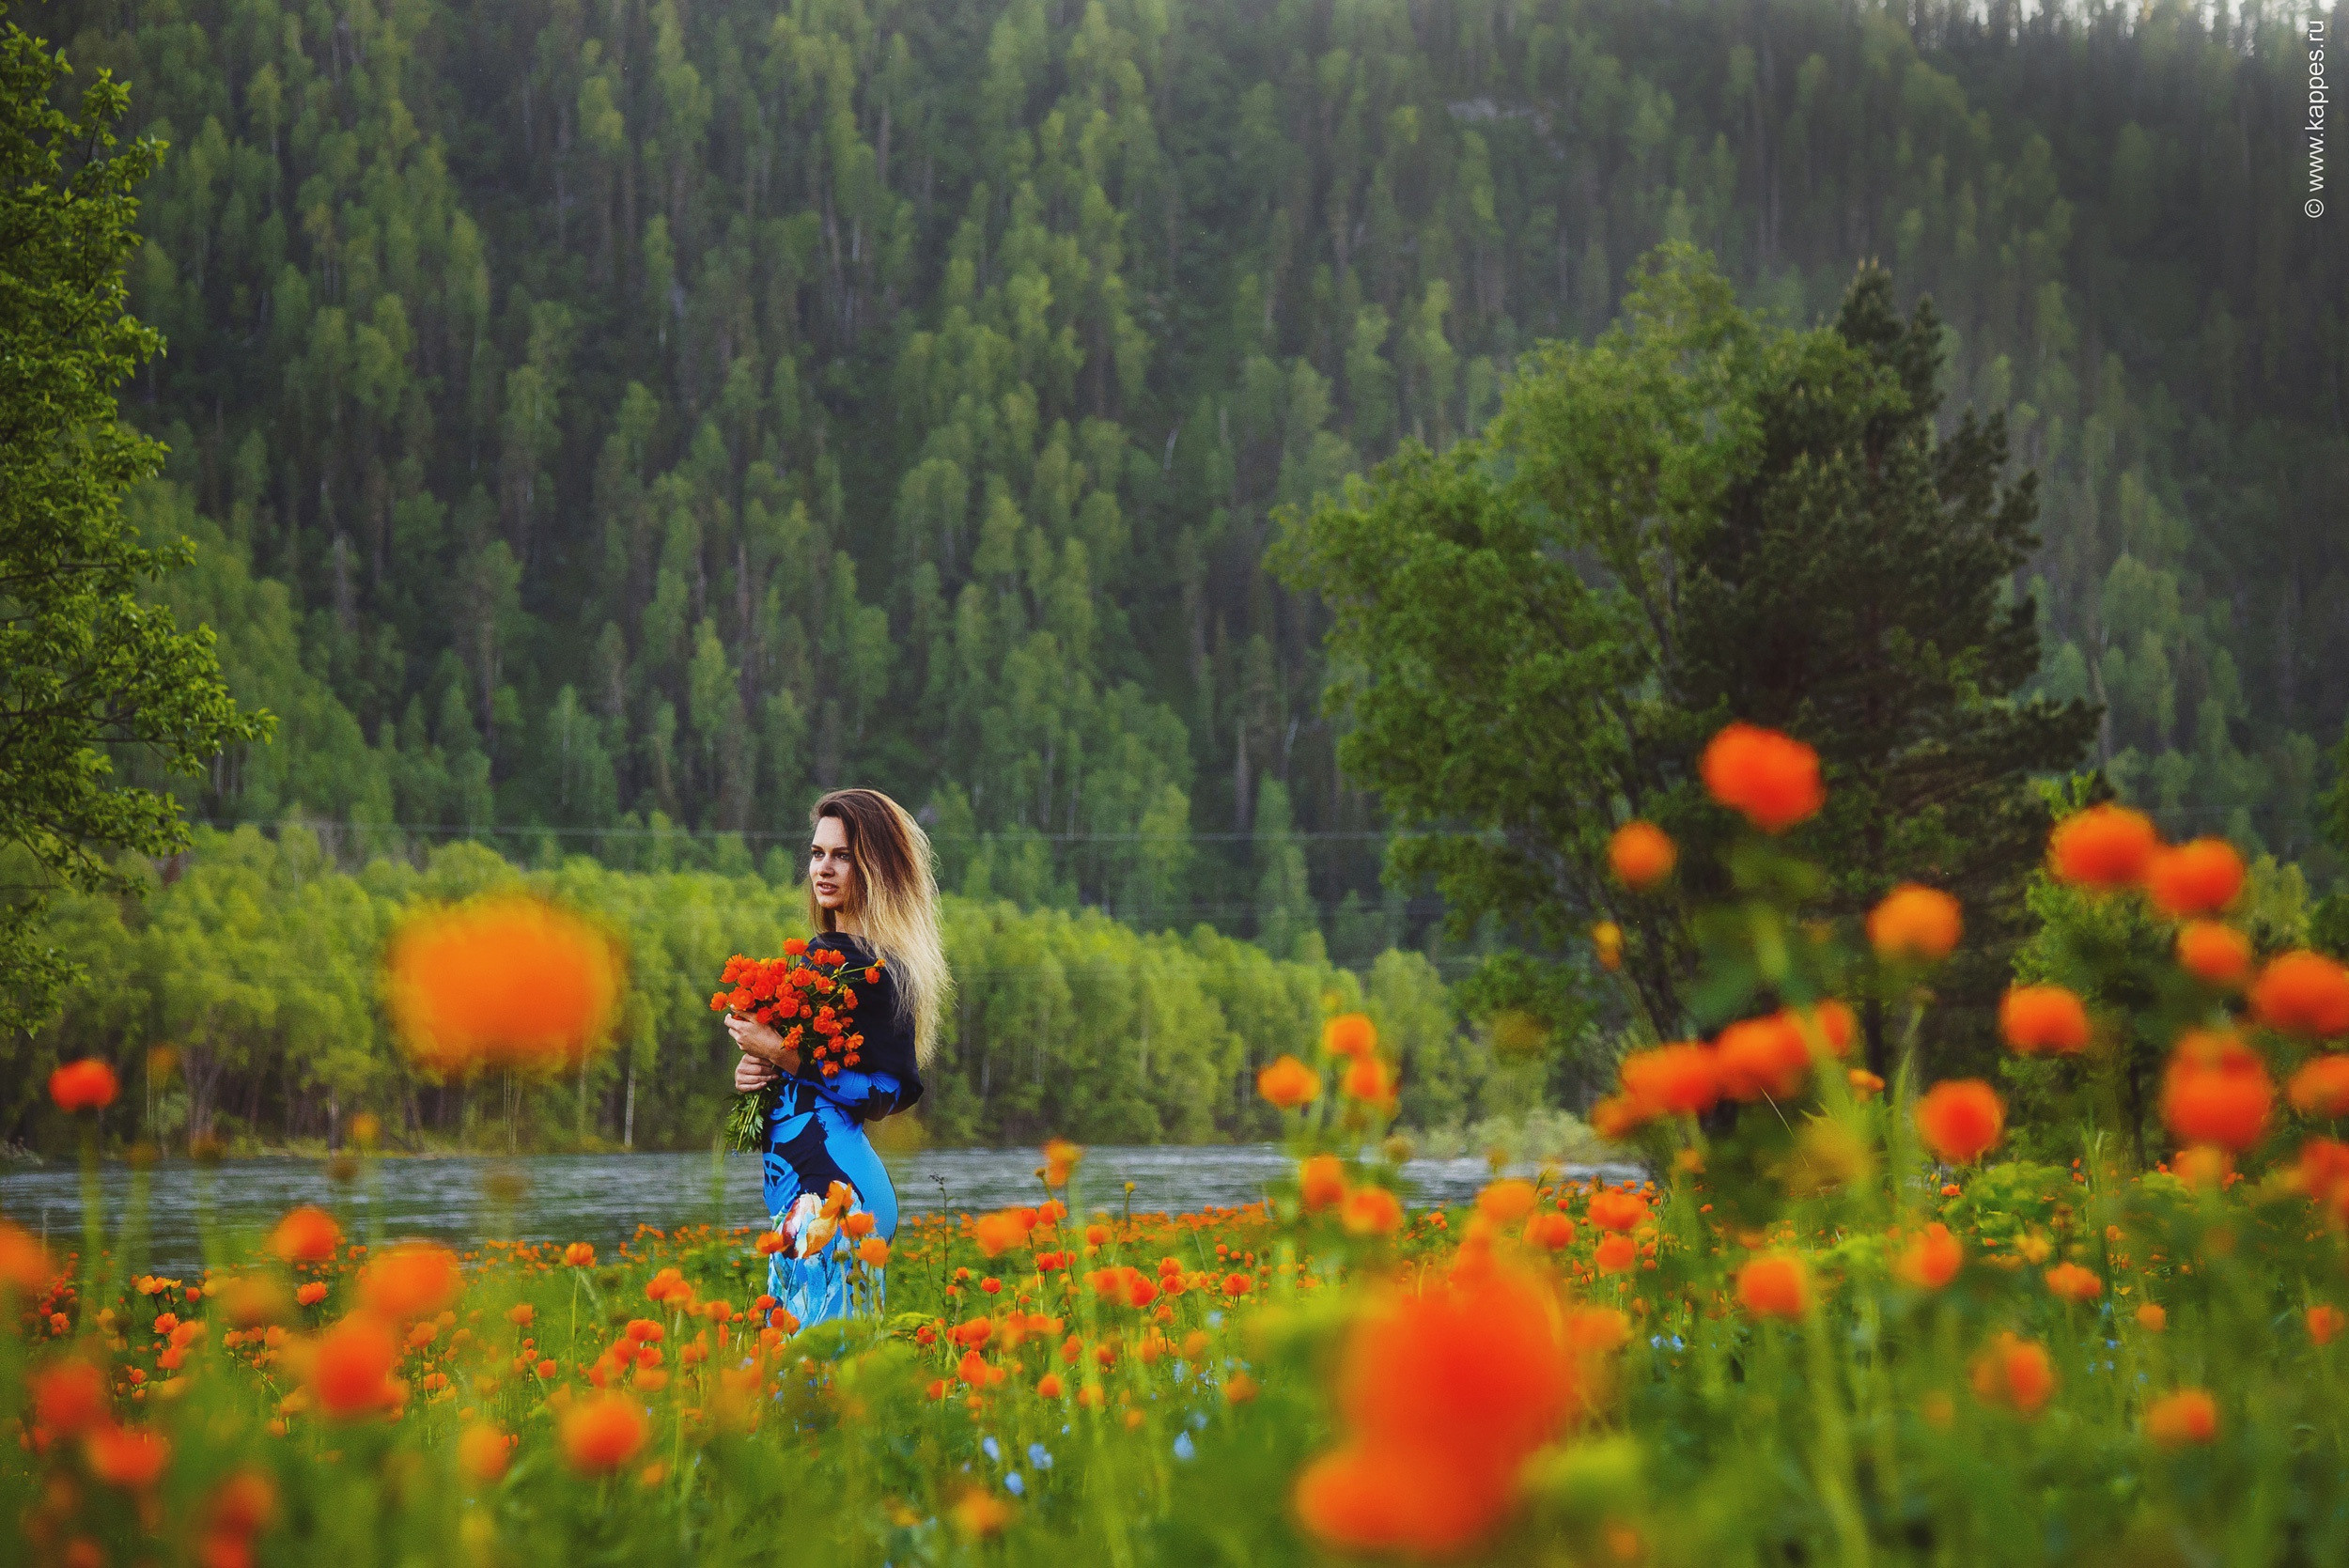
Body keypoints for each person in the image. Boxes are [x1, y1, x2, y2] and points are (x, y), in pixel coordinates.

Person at [727, 787, 948, 1328]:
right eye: (817, 853)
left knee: (820, 1367)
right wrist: (757, 1069)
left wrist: (782, 1054)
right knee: (796, 1365)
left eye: (842, 856)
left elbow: (885, 1093)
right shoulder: (821, 957)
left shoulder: (878, 970)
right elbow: (803, 1074)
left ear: (877, 868)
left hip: (841, 1198)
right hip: (799, 1198)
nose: (822, 869)